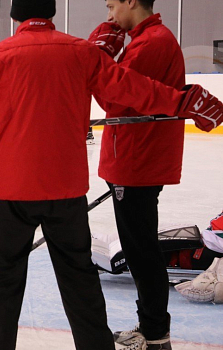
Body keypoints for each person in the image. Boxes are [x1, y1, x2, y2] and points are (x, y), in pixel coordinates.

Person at [0, 0, 222, 348]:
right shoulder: (82, 52)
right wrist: (184, 101)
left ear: (15, 17)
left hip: (12, 192)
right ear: (52, 12)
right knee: (80, 283)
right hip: (66, 191)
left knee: (0, 285)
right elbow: (138, 91)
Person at [92, 1, 191, 348]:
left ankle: (154, 334)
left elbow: (112, 99)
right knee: (140, 249)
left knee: (141, 251)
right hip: (135, 160)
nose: (109, 15)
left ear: (131, 1)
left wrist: (98, 61)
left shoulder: (152, 43)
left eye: (112, 5)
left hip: (136, 163)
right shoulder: (148, 39)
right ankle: (151, 328)